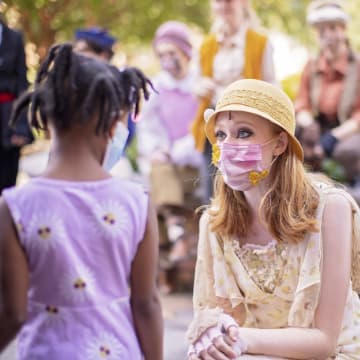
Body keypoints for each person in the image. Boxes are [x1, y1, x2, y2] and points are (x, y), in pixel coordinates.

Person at [0, 43, 163, 359]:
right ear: (116, 120)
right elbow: (146, 303)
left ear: (44, 115)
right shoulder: (137, 203)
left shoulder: (16, 206)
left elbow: (12, 312)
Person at [186, 79, 360, 359]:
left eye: (243, 133)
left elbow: (325, 341)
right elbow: (217, 321)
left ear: (279, 144)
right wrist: (214, 339)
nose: (228, 145)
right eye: (220, 135)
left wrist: (238, 338)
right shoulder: (214, 222)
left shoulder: (330, 209)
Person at [137, 21, 202, 292]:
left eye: (172, 53)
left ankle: (166, 267)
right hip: (168, 166)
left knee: (155, 196)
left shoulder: (200, 84)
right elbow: (149, 127)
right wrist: (160, 148)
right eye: (162, 55)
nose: (167, 61)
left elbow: (203, 130)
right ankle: (177, 240)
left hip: (194, 165)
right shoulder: (157, 87)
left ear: (185, 53)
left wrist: (177, 151)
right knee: (158, 172)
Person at [191, 0, 276, 200]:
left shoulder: (260, 42)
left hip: (249, 122)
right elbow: (196, 82)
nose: (223, 5)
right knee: (212, 188)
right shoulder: (207, 45)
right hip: (214, 122)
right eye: (218, 1)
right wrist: (200, 86)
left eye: (228, 1)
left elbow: (272, 83)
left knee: (247, 185)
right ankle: (214, 228)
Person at [295, 0, 360, 192]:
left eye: (333, 28)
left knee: (347, 151)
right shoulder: (312, 66)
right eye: (322, 31)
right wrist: (310, 125)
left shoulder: (356, 67)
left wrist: (333, 137)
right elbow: (302, 104)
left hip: (349, 129)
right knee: (298, 146)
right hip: (320, 125)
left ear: (343, 29)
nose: (328, 35)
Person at [0, 19, 33, 194]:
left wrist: (21, 127)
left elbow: (22, 83)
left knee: (7, 175)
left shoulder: (14, 38)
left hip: (8, 117)